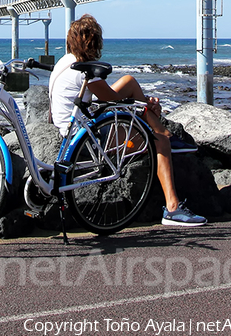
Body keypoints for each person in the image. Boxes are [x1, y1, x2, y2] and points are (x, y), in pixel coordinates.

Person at [49, 13, 206, 227]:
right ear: (94, 42)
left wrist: (140, 105)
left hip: (69, 127)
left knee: (130, 85)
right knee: (159, 142)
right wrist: (142, 106)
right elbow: (110, 99)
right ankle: (173, 209)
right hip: (87, 137)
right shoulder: (84, 69)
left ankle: (158, 126)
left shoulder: (65, 62)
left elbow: (100, 99)